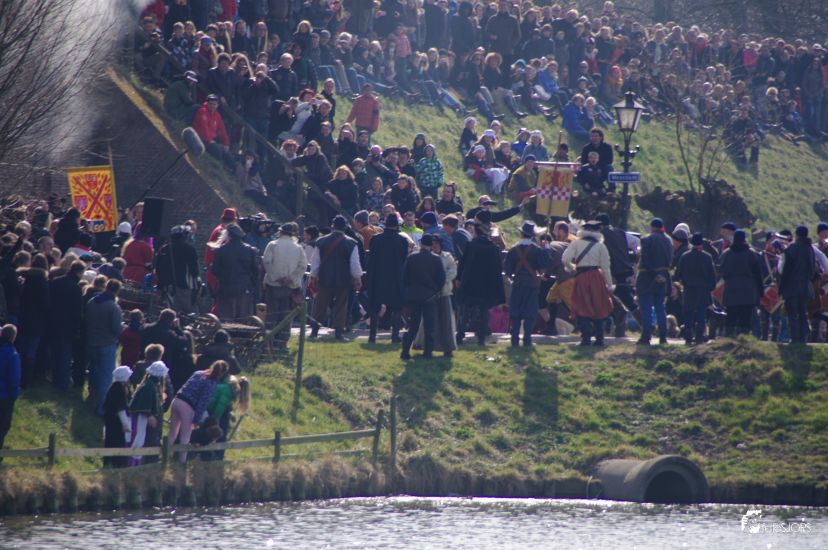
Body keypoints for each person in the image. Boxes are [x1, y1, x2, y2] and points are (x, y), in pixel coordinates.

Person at [309, 215, 362, 340]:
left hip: (324, 278)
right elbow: (354, 264)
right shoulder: (351, 243)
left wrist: (313, 276)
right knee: (341, 306)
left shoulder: (320, 241)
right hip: (343, 280)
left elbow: (315, 262)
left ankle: (314, 331)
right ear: (345, 227)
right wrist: (358, 278)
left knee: (320, 305)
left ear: (332, 226)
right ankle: (338, 332)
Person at [562, 220, 614, 346]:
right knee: (598, 306)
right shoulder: (601, 246)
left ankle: (586, 338)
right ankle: (599, 339)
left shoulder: (576, 243)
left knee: (582, 306)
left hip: (581, 276)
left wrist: (572, 268)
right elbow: (606, 267)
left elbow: (565, 259)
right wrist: (609, 284)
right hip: (597, 277)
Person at [167, 360, 228, 463]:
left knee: (172, 432)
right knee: (185, 436)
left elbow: (185, 386)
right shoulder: (211, 383)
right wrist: (196, 420)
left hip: (177, 400)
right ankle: (181, 462)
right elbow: (202, 403)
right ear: (222, 373)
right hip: (188, 406)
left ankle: (163, 457)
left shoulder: (198, 373)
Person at [457, 222, 505, 346]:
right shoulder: (493, 248)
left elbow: (463, 264)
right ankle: (481, 338)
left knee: (466, 311)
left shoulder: (471, 245)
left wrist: (459, 278)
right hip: (486, 286)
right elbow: (498, 268)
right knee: (484, 313)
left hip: (470, 284)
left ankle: (460, 335)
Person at [400, 234, 447, 360]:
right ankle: (428, 353)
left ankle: (405, 351)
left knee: (413, 326)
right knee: (430, 326)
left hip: (414, 296)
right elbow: (441, 279)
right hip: (430, 296)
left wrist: (408, 293)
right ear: (431, 245)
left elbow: (404, 277)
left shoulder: (411, 257)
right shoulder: (436, 259)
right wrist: (436, 290)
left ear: (421, 244)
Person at [504, 222, 550, 347]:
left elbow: (508, 270)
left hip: (518, 282)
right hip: (532, 283)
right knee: (530, 311)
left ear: (521, 234)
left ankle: (514, 339)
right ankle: (527, 339)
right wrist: (546, 249)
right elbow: (544, 266)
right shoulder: (537, 250)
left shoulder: (513, 250)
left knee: (515, 311)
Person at [262, 223, 308, 345]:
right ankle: (282, 341)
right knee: (286, 315)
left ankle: (269, 340)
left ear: (281, 232)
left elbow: (266, 262)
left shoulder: (272, 245)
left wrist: (275, 277)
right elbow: (303, 266)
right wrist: (291, 279)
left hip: (272, 285)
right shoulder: (298, 248)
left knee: (271, 313)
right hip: (290, 286)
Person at [366, 214, 409, 343]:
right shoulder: (402, 241)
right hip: (396, 277)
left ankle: (372, 336)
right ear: (396, 225)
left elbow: (370, 259)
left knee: (375, 307)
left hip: (377, 277)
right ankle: (394, 336)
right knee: (396, 308)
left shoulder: (376, 239)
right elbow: (403, 260)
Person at [413, 235, 457, 356]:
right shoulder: (428, 257)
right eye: (433, 243)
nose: (435, 245)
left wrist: (441, 279)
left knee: (446, 322)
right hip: (430, 293)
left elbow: (452, 272)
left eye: (437, 243)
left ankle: (448, 348)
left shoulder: (447, 257)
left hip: (444, 292)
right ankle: (423, 345)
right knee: (427, 322)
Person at [86, 279, 124, 416]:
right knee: (106, 378)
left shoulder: (92, 302)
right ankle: (102, 407)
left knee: (93, 370)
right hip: (107, 344)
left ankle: (92, 394)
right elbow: (117, 329)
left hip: (91, 342)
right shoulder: (113, 307)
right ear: (117, 291)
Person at [636, 218, 674, 345]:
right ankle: (663, 337)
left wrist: (654, 274)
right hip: (664, 276)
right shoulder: (668, 240)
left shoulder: (647, 239)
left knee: (646, 308)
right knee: (660, 308)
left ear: (652, 227)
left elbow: (645, 261)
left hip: (647, 277)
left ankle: (646, 336)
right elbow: (670, 261)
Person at [718, 229, 763, 337]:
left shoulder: (726, 254)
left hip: (731, 288)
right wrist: (760, 291)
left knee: (731, 315)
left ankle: (728, 338)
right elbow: (758, 274)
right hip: (748, 289)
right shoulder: (751, 254)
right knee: (745, 317)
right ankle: (743, 339)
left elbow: (721, 271)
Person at [211, 223, 260, 321]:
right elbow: (256, 271)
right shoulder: (250, 250)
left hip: (226, 289)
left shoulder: (220, 251)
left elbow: (215, 271)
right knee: (244, 318)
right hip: (245, 289)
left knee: (226, 318)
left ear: (228, 235)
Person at [49, 260, 85, 389]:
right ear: (79, 272)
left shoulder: (56, 281)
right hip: (68, 326)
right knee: (65, 356)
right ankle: (62, 383)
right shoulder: (76, 288)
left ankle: (53, 378)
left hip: (53, 322)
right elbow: (77, 311)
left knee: (54, 353)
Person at [778, 224, 818, 343]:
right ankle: (803, 337)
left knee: (792, 313)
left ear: (797, 235)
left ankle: (794, 338)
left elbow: (783, 269)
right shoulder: (810, 249)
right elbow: (813, 270)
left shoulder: (792, 248)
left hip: (792, 286)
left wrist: (782, 287)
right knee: (803, 313)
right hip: (806, 286)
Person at [675, 233, 717, 345]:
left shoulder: (685, 256)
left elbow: (678, 274)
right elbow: (712, 276)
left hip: (689, 289)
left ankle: (688, 335)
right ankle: (699, 336)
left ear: (691, 242)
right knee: (701, 314)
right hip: (703, 290)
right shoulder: (707, 257)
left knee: (688, 313)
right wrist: (710, 288)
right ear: (701, 243)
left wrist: (683, 282)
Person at [129, 360, 169, 466]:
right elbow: (144, 403)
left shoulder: (153, 385)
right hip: (142, 419)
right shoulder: (149, 386)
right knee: (140, 439)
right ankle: (135, 464)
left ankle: (144, 464)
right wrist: (150, 415)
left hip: (149, 420)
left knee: (146, 440)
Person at [155, 224, 200, 314]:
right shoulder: (189, 249)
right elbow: (195, 271)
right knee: (186, 313)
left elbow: (158, 269)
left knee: (168, 312)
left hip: (166, 287)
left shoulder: (164, 249)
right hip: (183, 286)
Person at [192, 94, 235, 167]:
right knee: (218, 151)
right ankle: (218, 166)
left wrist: (226, 143)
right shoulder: (202, 111)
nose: (212, 106)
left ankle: (235, 168)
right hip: (200, 139)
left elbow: (223, 130)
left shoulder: (217, 115)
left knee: (228, 154)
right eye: (210, 104)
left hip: (210, 141)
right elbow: (204, 128)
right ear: (207, 103)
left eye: (214, 104)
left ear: (217, 105)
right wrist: (209, 140)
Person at [103, 365, 133, 468]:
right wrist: (125, 424)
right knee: (117, 442)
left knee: (109, 441)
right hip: (116, 423)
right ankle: (117, 464)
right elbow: (121, 410)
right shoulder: (119, 390)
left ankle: (109, 463)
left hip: (110, 421)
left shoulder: (113, 388)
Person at [0, 324, 20, 461]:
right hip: (5, 396)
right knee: (3, 427)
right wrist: (14, 395)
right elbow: (14, 379)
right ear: (13, 337)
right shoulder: (12, 355)